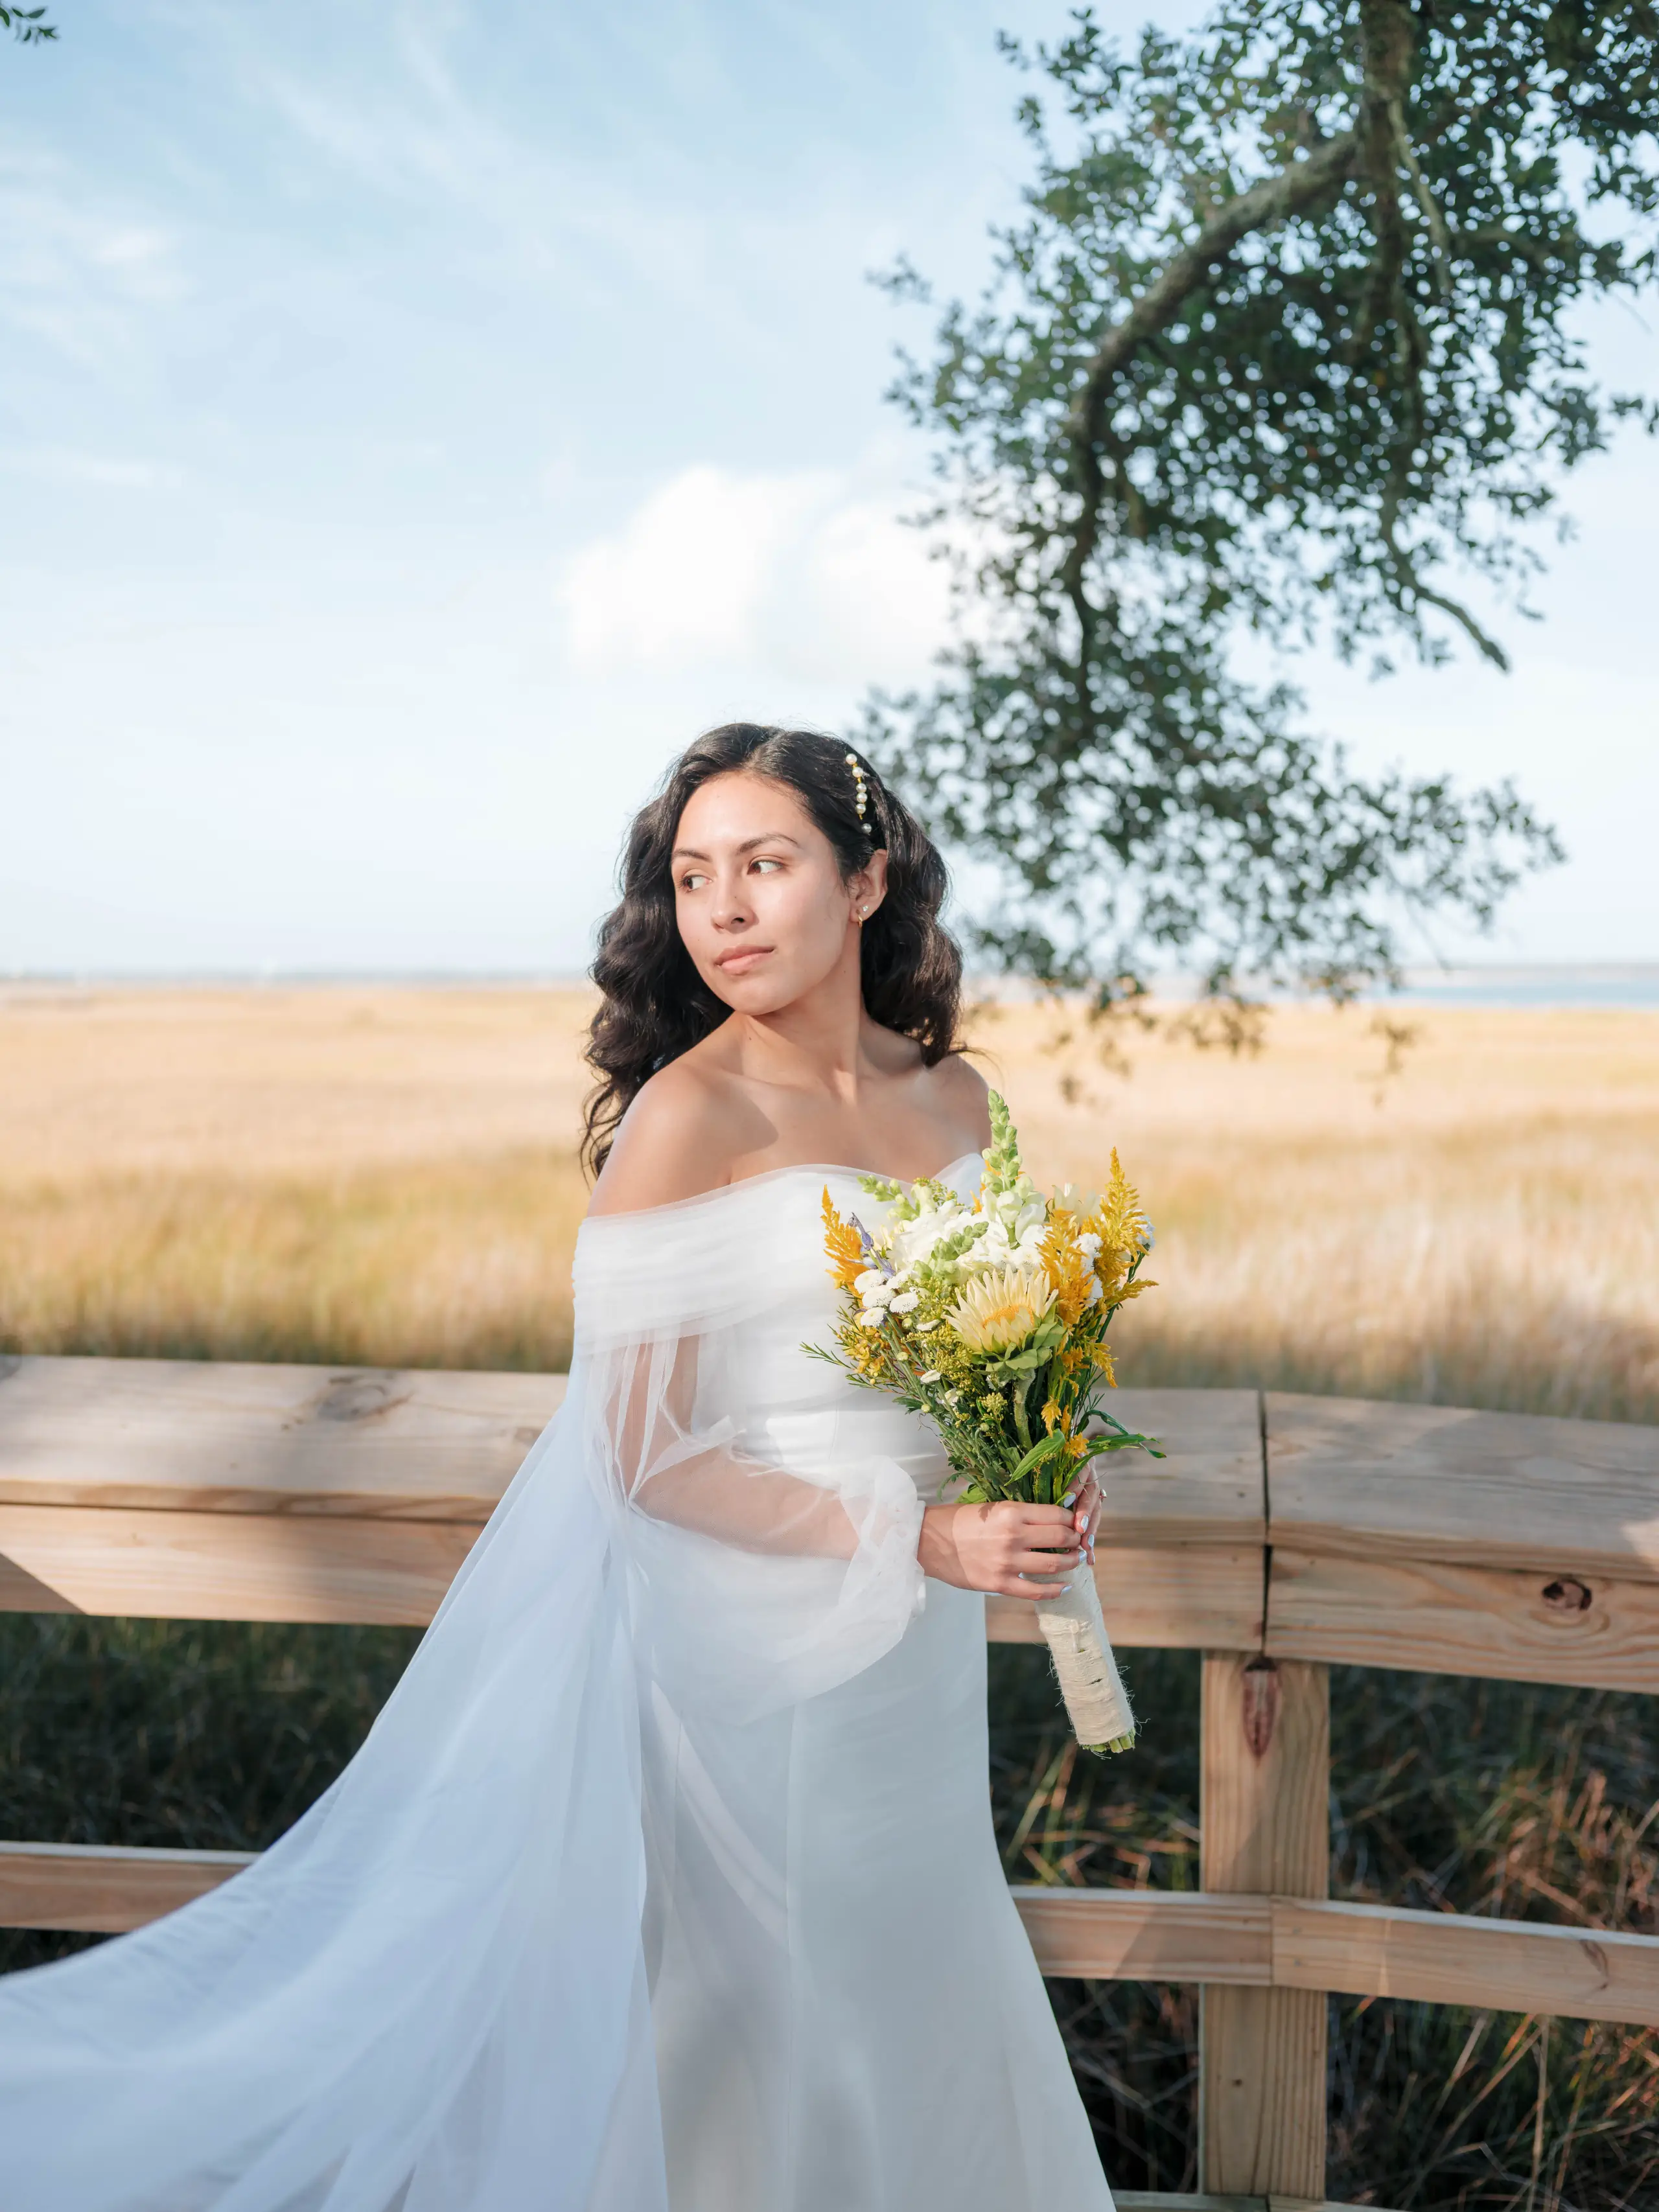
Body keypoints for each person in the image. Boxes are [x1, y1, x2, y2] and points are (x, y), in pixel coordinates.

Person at [0, 722, 1115, 2212]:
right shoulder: (689, 1116)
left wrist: (1045, 1456)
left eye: (764, 864)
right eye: (692, 875)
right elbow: (639, 1450)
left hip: (919, 1653)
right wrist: (920, 1533)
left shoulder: (959, 1098)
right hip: (753, 1641)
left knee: (912, 1952)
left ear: (864, 882)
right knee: (767, 1998)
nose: (722, 908)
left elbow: (998, 1337)